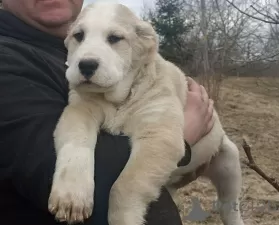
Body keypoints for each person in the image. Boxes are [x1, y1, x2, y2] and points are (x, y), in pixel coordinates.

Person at [0, 0, 214, 225]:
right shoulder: (8, 58)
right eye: (80, 36)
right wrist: (181, 137)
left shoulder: (57, 47)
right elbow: (63, 176)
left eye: (113, 38)